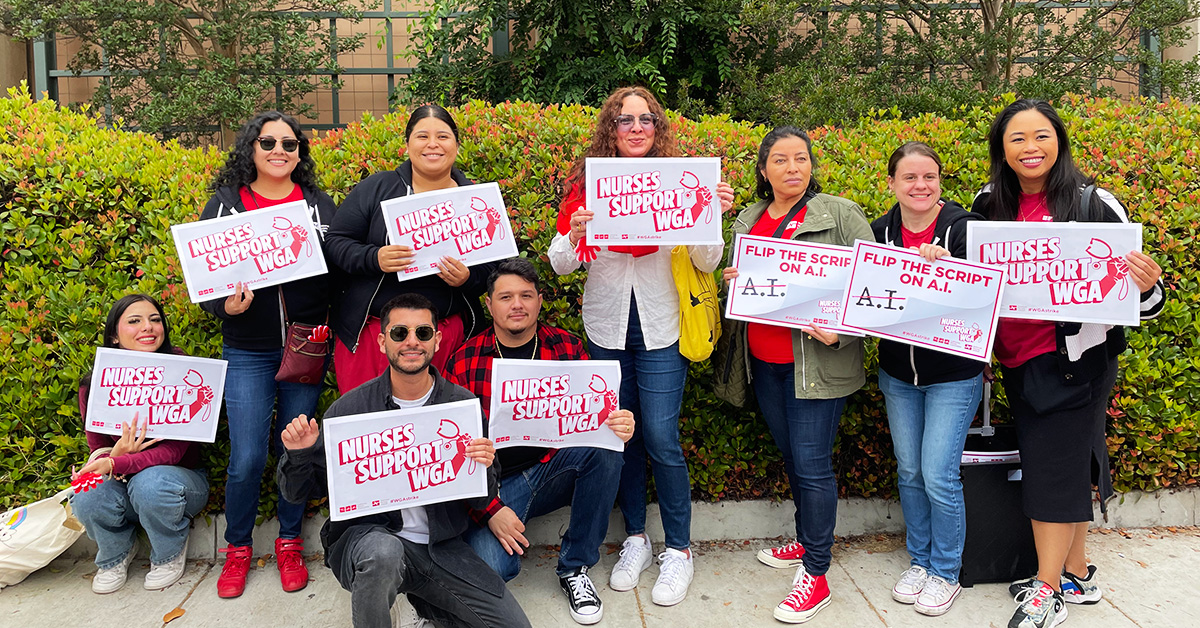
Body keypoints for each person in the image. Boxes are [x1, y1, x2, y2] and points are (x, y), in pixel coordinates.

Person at [974, 99, 1164, 628]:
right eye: (1017, 139)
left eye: (1041, 136)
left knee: (1050, 468)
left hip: (1076, 362)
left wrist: (1147, 285)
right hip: (1016, 358)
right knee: (1068, 462)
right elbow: (975, 283)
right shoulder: (988, 203)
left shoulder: (1095, 203)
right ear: (1002, 149)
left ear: (1058, 141)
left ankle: (1048, 588)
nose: (1030, 148)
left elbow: (1144, 303)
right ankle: (1076, 572)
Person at [548, 85, 735, 606]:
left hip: (661, 329)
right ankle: (636, 538)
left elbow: (705, 262)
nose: (635, 128)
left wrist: (709, 213)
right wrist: (575, 231)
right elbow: (563, 263)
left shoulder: (681, 181)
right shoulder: (590, 184)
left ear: (658, 128)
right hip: (606, 327)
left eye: (646, 119)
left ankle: (679, 549)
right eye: (625, 119)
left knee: (660, 437)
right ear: (611, 127)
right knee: (620, 437)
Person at [276, 293, 530, 628]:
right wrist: (299, 455)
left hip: (440, 548)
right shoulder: (349, 410)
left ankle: (427, 606)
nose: (412, 342)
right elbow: (298, 494)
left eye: (423, 333)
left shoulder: (462, 406)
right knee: (384, 554)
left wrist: (485, 465)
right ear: (382, 342)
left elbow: (481, 495)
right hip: (369, 540)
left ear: (437, 340)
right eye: (400, 333)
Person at [721, 127, 872, 624]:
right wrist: (733, 281)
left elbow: (876, 285)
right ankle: (808, 540)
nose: (792, 168)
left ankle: (817, 572)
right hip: (766, 365)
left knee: (811, 465)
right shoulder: (748, 219)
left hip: (818, 366)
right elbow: (742, 291)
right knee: (792, 457)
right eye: (781, 160)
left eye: (801, 159)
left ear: (811, 166)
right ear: (763, 170)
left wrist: (843, 334)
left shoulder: (839, 214)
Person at [447, 258, 635, 625]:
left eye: (526, 295)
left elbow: (596, 418)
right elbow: (455, 455)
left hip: (550, 470)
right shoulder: (466, 359)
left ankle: (575, 568)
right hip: (493, 488)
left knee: (606, 451)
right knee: (493, 570)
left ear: (540, 301)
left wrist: (619, 423)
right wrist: (490, 510)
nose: (516, 304)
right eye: (505, 297)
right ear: (489, 304)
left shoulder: (566, 347)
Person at [198, 111, 337, 598]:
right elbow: (206, 275)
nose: (280, 150)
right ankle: (236, 550)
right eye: (268, 142)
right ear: (251, 149)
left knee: (294, 450)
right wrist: (223, 306)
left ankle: (289, 542)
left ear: (300, 153)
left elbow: (338, 268)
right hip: (248, 348)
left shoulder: (319, 205)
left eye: (291, 144)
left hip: (306, 345)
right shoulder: (224, 205)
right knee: (249, 456)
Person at [871, 142, 984, 616]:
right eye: (910, 178)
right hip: (898, 372)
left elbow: (984, 298)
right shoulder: (878, 231)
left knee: (939, 474)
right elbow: (861, 296)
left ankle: (945, 571)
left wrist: (952, 273)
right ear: (892, 183)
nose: (920, 186)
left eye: (930, 177)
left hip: (953, 374)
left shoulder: (964, 229)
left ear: (940, 181)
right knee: (910, 471)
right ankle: (919, 561)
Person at [326, 104, 496, 395]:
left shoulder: (476, 199)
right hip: (374, 334)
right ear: (408, 144)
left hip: (447, 335)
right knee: (370, 423)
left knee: (437, 426)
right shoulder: (378, 188)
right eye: (422, 136)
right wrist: (374, 257)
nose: (433, 144)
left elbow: (496, 269)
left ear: (456, 143)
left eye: (442, 136)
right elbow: (336, 242)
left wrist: (468, 278)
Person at [71, 294, 208, 593]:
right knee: (86, 493)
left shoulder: (181, 370)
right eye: (134, 321)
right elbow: (97, 447)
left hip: (177, 484)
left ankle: (168, 553)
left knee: (151, 481)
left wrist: (115, 462)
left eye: (155, 319)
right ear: (114, 336)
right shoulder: (94, 382)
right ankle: (114, 555)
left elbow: (174, 451)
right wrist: (109, 457)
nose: (148, 327)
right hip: (122, 483)